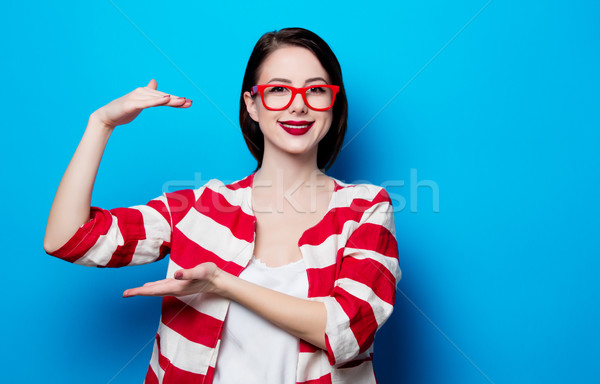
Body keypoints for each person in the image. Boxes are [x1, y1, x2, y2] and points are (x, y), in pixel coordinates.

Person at [44, 27, 401, 384]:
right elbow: (68, 239)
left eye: (316, 90)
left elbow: (348, 330)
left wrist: (222, 284)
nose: (298, 104)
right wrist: (101, 123)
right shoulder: (200, 207)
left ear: (333, 102)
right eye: (278, 89)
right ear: (252, 104)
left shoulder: (365, 208)